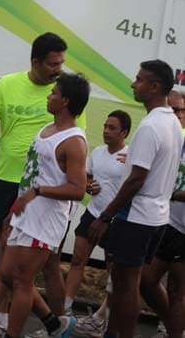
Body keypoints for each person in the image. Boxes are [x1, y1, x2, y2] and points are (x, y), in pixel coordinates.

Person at [0, 33, 84, 337]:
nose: (58, 69)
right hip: (9, 180)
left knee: (45, 265)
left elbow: (75, 148)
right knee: (4, 253)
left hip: (46, 193)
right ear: (35, 61)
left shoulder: (68, 94)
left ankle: (54, 322)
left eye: (62, 63)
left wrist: (70, 184)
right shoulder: (8, 84)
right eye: (53, 63)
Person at [88, 60, 183, 338]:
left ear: (154, 87)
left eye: (139, 79)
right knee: (123, 283)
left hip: (137, 216)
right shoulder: (171, 122)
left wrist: (105, 216)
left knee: (126, 284)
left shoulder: (151, 126)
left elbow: (136, 180)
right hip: (156, 217)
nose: (133, 83)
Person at [0, 72, 90, 338]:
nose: (49, 96)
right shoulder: (46, 129)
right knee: (6, 274)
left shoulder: (74, 141)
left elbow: (77, 188)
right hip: (26, 214)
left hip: (45, 222)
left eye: (54, 93)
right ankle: (53, 323)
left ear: (65, 101)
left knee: (21, 281)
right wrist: (17, 206)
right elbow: (33, 173)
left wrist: (38, 192)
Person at [63, 110, 131, 337]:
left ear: (124, 133)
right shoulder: (98, 152)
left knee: (115, 275)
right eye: (105, 126)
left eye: (112, 128)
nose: (106, 131)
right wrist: (90, 185)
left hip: (115, 220)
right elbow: (88, 176)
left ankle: (103, 317)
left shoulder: (129, 157)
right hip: (92, 213)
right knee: (77, 260)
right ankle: (65, 311)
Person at [138, 90, 185, 338]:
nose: (176, 115)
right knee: (146, 281)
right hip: (168, 222)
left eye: (181, 110)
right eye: (172, 109)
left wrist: (171, 193)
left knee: (178, 292)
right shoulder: (169, 138)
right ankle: (175, 327)